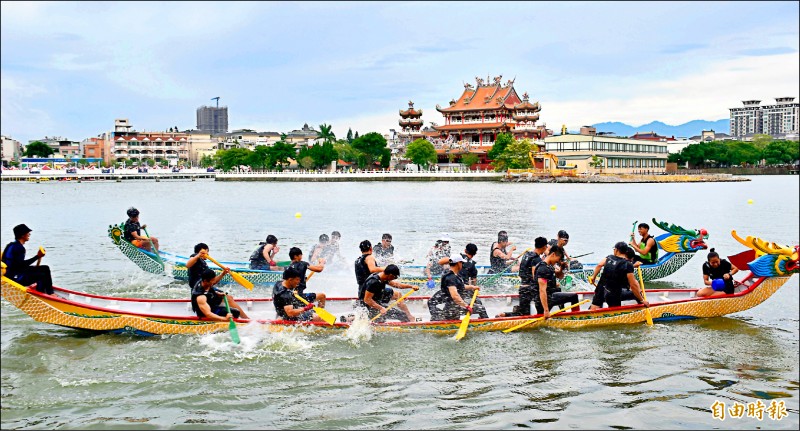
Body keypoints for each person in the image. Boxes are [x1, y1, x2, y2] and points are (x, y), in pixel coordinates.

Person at [496, 237, 548, 317]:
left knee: (523, 313)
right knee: (539, 309)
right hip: (530, 289)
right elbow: (535, 276)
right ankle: (544, 317)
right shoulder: (536, 259)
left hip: (522, 287)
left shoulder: (527, 254)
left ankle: (504, 315)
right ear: (544, 247)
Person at [588, 242, 648, 310]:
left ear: (616, 250)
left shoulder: (609, 257)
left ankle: (589, 318)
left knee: (595, 306)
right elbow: (633, 285)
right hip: (613, 292)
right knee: (614, 311)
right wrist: (642, 300)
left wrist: (593, 277)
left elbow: (599, 265)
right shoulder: (627, 264)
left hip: (601, 287)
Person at [428, 255, 488, 320]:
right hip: (453, 308)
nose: (462, 265)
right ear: (458, 263)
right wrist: (466, 306)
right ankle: (487, 323)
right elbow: (455, 296)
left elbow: (460, 286)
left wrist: (472, 287)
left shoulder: (452, 274)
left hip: (453, 306)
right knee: (481, 309)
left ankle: (441, 318)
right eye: (462, 263)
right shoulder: (451, 277)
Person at [2, 224, 53, 295]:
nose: (29, 234)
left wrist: (35, 265)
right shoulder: (19, 248)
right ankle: (45, 293)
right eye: (28, 233)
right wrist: (37, 256)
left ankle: (46, 290)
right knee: (42, 274)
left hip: (11, 273)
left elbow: (17, 265)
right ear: (22, 235)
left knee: (45, 268)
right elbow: (21, 266)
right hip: (15, 279)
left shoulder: (10, 245)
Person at [533, 245, 581, 317]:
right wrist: (546, 310)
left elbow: (560, 276)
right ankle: (577, 317)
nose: (558, 261)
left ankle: (563, 314)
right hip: (545, 300)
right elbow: (542, 291)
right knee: (574, 296)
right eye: (558, 259)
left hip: (550, 296)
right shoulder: (543, 269)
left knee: (560, 292)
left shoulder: (549, 266)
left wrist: (562, 267)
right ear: (553, 254)